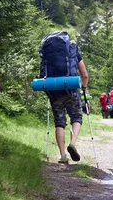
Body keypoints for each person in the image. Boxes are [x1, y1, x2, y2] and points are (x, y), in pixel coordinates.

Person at [40, 31, 89, 164]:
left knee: (59, 122)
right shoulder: (72, 48)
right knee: (76, 117)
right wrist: (83, 88)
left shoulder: (47, 50)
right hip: (71, 88)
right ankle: (72, 143)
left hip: (54, 90)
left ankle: (62, 156)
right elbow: (84, 75)